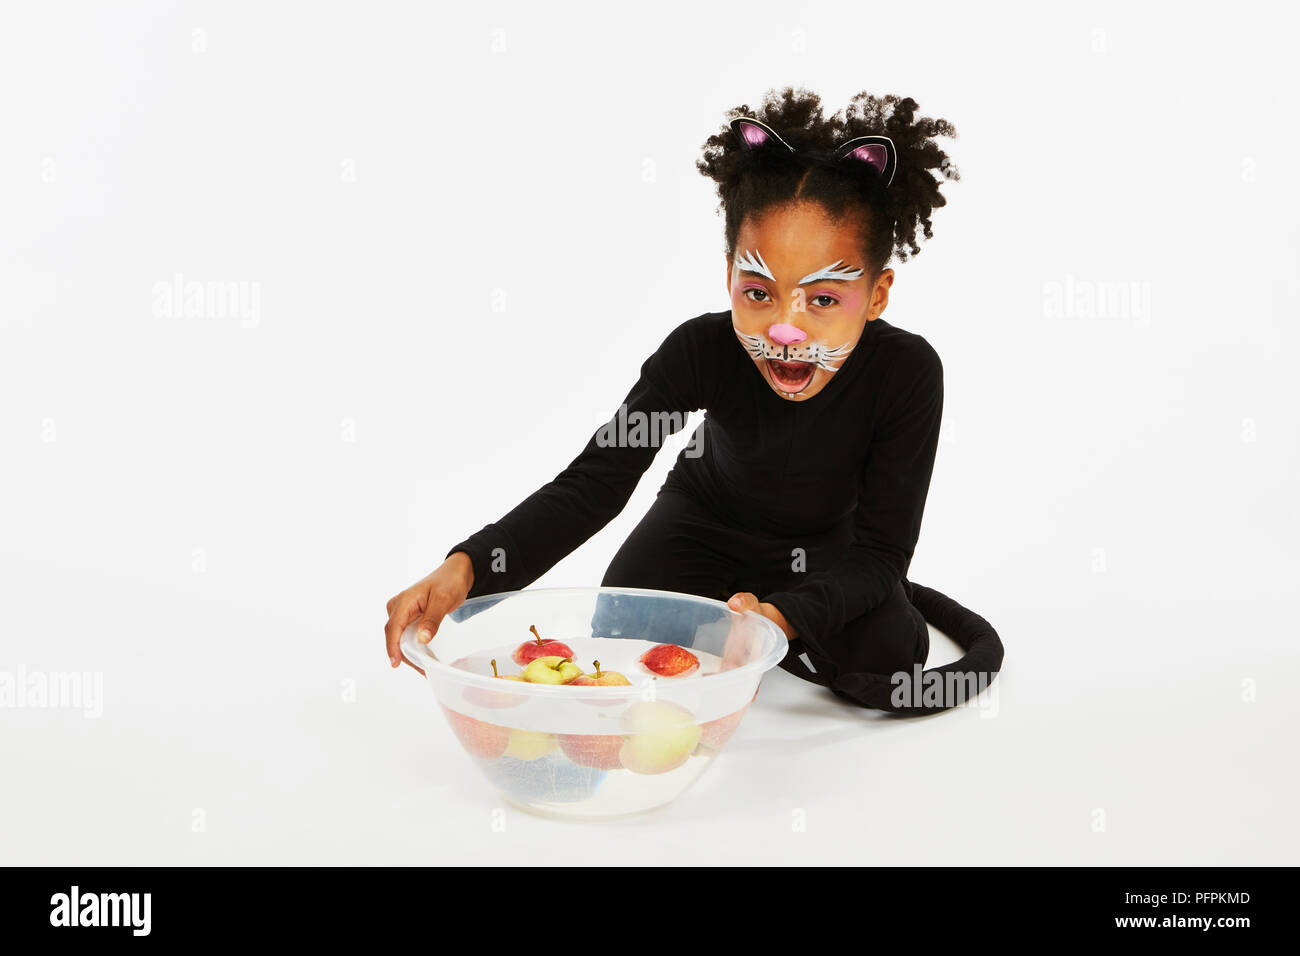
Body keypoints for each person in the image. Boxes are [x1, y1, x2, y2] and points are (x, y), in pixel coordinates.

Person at [384, 89, 1003, 713]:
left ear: (876, 295)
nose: (785, 332)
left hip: (829, 550)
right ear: (729, 273)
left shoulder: (907, 372)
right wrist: (468, 567)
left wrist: (787, 616)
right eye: (758, 292)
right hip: (704, 522)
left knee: (887, 659)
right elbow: (596, 480)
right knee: (622, 623)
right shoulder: (700, 350)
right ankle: (739, 598)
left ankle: (795, 607)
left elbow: (882, 552)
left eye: (822, 300)